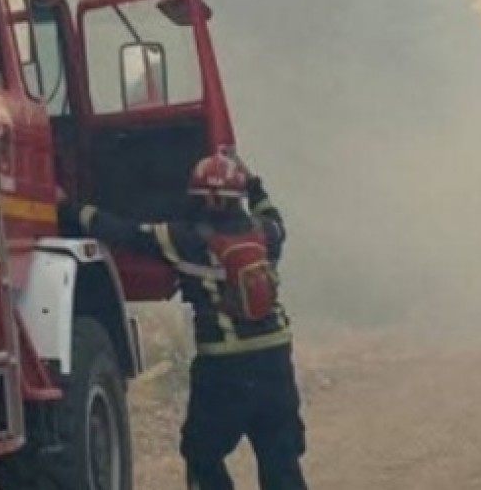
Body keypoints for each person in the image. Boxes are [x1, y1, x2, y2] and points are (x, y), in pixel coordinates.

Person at [60, 151, 307, 490]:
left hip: (224, 367)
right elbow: (273, 215)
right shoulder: (266, 233)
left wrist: (69, 208)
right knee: (281, 459)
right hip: (276, 361)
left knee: (202, 454)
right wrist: (254, 183)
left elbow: (124, 233)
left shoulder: (184, 239)